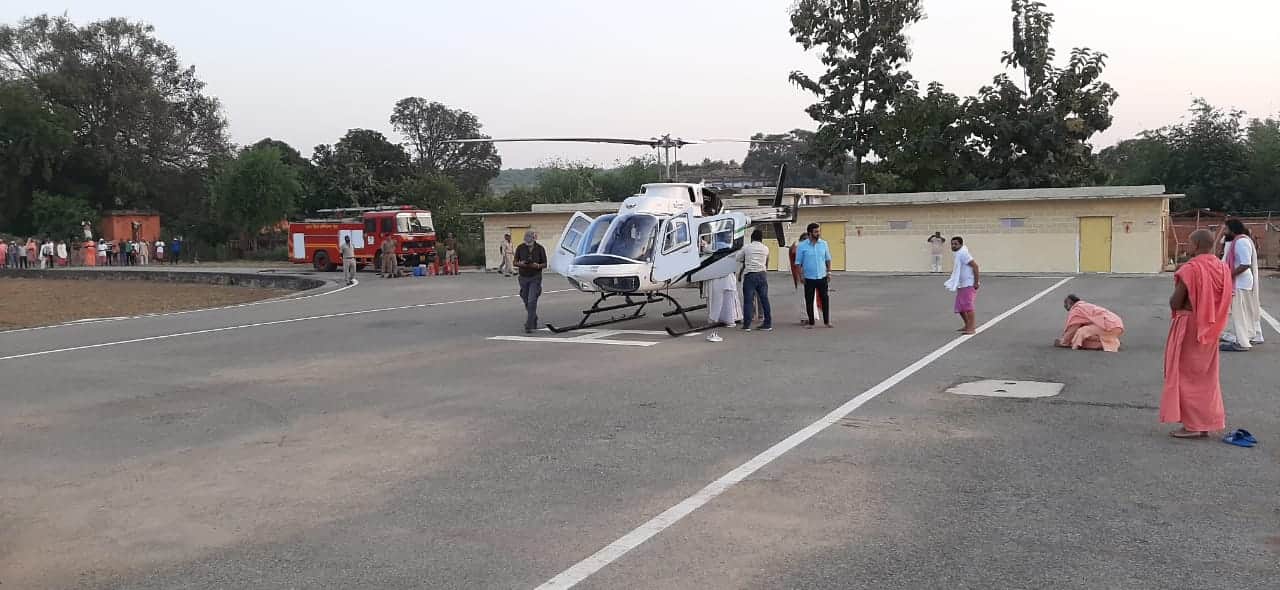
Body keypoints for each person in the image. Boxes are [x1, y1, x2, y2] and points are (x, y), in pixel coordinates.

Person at [1160, 229, 1233, 439]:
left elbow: (1175, 302)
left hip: (1189, 325)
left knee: (1185, 374)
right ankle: (1205, 422)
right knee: (1206, 377)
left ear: (1196, 245)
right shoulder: (1222, 267)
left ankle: (1192, 425)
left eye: (1189, 242)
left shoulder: (1191, 268)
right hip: (1211, 327)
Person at [1218, 220, 1263, 352]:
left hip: (1240, 282)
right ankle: (1247, 336)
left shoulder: (1241, 242)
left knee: (1239, 313)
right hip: (1241, 282)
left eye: (1226, 229)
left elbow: (1245, 264)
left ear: (1232, 230)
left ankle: (1242, 342)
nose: (1225, 232)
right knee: (1243, 312)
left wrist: (1229, 275)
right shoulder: (1238, 241)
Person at [793, 222, 833, 328]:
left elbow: (828, 259)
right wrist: (800, 276)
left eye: (819, 231)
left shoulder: (824, 244)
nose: (818, 233)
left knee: (825, 299)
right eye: (816, 232)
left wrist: (829, 272)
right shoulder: (802, 246)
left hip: (822, 276)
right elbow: (797, 263)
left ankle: (827, 321)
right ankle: (811, 322)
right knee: (809, 300)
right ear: (810, 233)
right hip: (809, 278)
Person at [1055, 294, 1125, 352]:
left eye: (1065, 304)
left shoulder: (1076, 309)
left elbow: (1072, 329)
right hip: (1117, 324)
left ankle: (1075, 345)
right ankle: (1111, 343)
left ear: (1070, 303)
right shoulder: (1085, 306)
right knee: (1085, 336)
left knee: (1081, 332)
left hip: (1109, 325)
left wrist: (1064, 342)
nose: (1064, 306)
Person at [944, 236, 980, 335]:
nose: (953, 246)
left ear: (960, 244)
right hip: (961, 285)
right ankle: (967, 324)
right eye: (952, 244)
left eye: (956, 244)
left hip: (968, 284)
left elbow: (975, 266)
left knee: (968, 306)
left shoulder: (963, 254)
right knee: (960, 307)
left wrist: (976, 282)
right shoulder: (957, 254)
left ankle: (971, 328)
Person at [740, 228, 773, 331]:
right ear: (761, 239)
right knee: (764, 299)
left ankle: (747, 325)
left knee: (748, 301)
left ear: (751, 238)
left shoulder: (747, 248)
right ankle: (767, 323)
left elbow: (738, 258)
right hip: (762, 274)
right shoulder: (765, 248)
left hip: (750, 275)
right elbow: (767, 261)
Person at [514, 231, 547, 333]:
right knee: (525, 298)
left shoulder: (540, 248)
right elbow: (514, 262)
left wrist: (537, 265)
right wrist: (521, 264)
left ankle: (529, 324)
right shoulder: (520, 247)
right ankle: (533, 317)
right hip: (523, 277)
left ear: (534, 238)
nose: (528, 241)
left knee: (532, 300)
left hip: (535, 277)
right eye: (526, 239)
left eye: (530, 239)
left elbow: (545, 264)